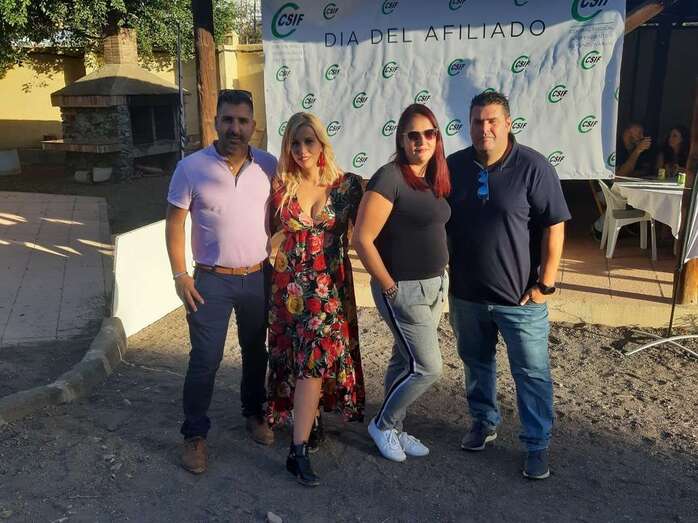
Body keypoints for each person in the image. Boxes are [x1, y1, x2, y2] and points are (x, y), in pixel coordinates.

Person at [446, 91, 570, 480]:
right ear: (469, 125)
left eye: (492, 121)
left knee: (531, 373)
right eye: (477, 121)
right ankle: (484, 422)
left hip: (520, 300)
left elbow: (554, 226)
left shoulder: (533, 167)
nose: (484, 128)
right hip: (467, 296)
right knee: (476, 363)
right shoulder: (453, 167)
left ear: (508, 124)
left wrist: (545, 285)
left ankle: (536, 444)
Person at [166, 89, 277, 475]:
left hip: (258, 277)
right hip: (210, 281)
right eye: (228, 119)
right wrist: (180, 274)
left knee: (256, 351)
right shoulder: (191, 168)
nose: (235, 128)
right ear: (216, 122)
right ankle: (195, 435)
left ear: (253, 126)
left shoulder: (268, 165)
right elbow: (175, 223)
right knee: (205, 359)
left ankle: (254, 413)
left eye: (242, 121)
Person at [266, 112, 365, 487]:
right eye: (294, 142)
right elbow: (270, 235)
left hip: (329, 290)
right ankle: (312, 420)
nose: (302, 149)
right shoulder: (281, 187)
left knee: (314, 360)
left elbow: (371, 231)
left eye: (309, 141)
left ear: (322, 143)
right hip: (290, 291)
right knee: (299, 360)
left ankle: (298, 450)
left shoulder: (348, 186)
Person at [353, 103, 451, 463]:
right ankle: (382, 423)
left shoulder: (432, 176)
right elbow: (362, 238)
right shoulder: (390, 177)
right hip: (403, 290)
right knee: (427, 367)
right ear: (401, 139)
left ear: (437, 137)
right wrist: (389, 286)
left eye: (429, 133)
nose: (421, 141)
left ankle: (394, 426)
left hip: (434, 286)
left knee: (404, 359)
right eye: (413, 135)